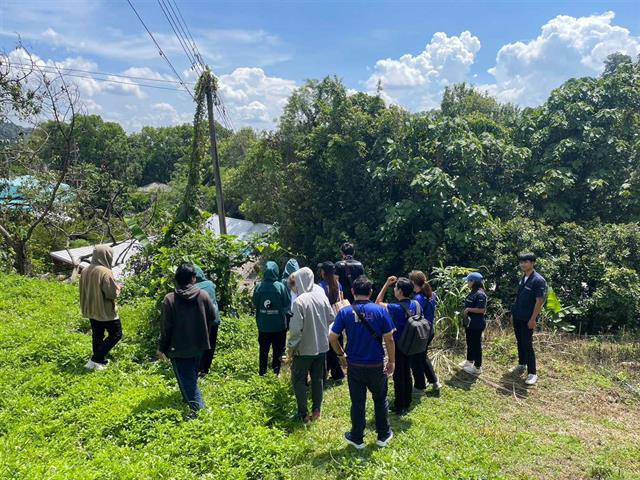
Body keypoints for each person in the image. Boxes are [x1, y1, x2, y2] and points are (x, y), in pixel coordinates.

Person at [330, 275, 396, 449]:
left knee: (358, 402)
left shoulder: (345, 312)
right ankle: (383, 435)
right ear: (371, 292)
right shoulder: (381, 311)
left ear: (353, 291)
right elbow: (389, 339)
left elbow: (332, 337)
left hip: (355, 365)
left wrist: (341, 355)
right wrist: (392, 361)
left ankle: (357, 437)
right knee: (380, 399)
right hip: (376, 364)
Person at [158, 264, 216, 413]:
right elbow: (212, 318)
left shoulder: (169, 299)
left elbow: (166, 328)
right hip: (199, 345)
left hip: (178, 348)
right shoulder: (203, 295)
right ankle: (189, 400)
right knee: (191, 376)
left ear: (176, 279)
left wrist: (161, 348)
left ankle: (199, 411)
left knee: (187, 379)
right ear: (193, 278)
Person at [287, 267, 334, 423]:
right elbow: (331, 317)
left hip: (304, 349)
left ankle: (303, 414)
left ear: (299, 281)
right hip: (321, 347)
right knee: (318, 379)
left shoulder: (299, 301)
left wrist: (291, 349)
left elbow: (295, 330)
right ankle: (316, 411)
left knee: (298, 380)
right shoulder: (322, 297)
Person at [376, 276, 421, 416]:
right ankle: (407, 401)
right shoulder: (415, 304)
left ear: (400, 291)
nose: (394, 289)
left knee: (398, 376)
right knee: (407, 373)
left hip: (399, 345)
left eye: (395, 288)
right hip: (412, 345)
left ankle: (400, 406)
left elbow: (378, 302)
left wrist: (385, 284)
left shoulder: (395, 308)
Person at [79, 245, 123, 371]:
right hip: (104, 310)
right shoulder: (105, 272)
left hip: (91, 308)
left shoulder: (85, 270)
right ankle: (95, 359)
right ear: (106, 256)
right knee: (116, 334)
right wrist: (118, 288)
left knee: (97, 335)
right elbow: (111, 294)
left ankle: (99, 362)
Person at [510, 253, 547, 386]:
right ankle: (522, 364)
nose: (522, 264)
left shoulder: (538, 280)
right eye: (521, 262)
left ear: (533, 263)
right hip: (518, 315)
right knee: (519, 341)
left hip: (527, 318)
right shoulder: (524, 277)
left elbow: (539, 301)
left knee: (527, 344)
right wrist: (513, 313)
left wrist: (533, 319)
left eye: (525, 262)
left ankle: (532, 373)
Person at [253, 261, 290, 376]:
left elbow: (255, 302)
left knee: (263, 350)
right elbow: (287, 303)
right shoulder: (280, 286)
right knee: (278, 350)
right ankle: (276, 372)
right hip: (279, 325)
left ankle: (262, 372)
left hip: (263, 325)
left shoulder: (259, 286)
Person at [408, 270, 441, 392]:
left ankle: (419, 386)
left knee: (415, 359)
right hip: (429, 330)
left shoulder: (417, 298)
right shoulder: (431, 295)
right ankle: (434, 381)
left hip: (421, 333)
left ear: (413, 283)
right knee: (422, 356)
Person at [319, 261, 346, 383]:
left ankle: (332, 374)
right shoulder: (338, 284)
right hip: (338, 317)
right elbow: (341, 299)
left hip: (325, 318)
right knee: (337, 343)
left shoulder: (320, 286)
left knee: (327, 347)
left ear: (323, 272)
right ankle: (337, 373)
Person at [194, 266, 221, 377]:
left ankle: (198, 368)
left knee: (200, 345)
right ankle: (206, 369)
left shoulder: (193, 288)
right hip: (214, 319)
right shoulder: (210, 284)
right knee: (211, 345)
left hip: (201, 321)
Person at [458, 272, 488, 375]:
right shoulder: (472, 292)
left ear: (473, 281)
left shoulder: (480, 294)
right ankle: (469, 361)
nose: (467, 283)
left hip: (476, 324)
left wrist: (469, 309)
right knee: (469, 342)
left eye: (468, 281)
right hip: (469, 323)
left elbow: (482, 310)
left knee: (476, 345)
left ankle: (477, 367)